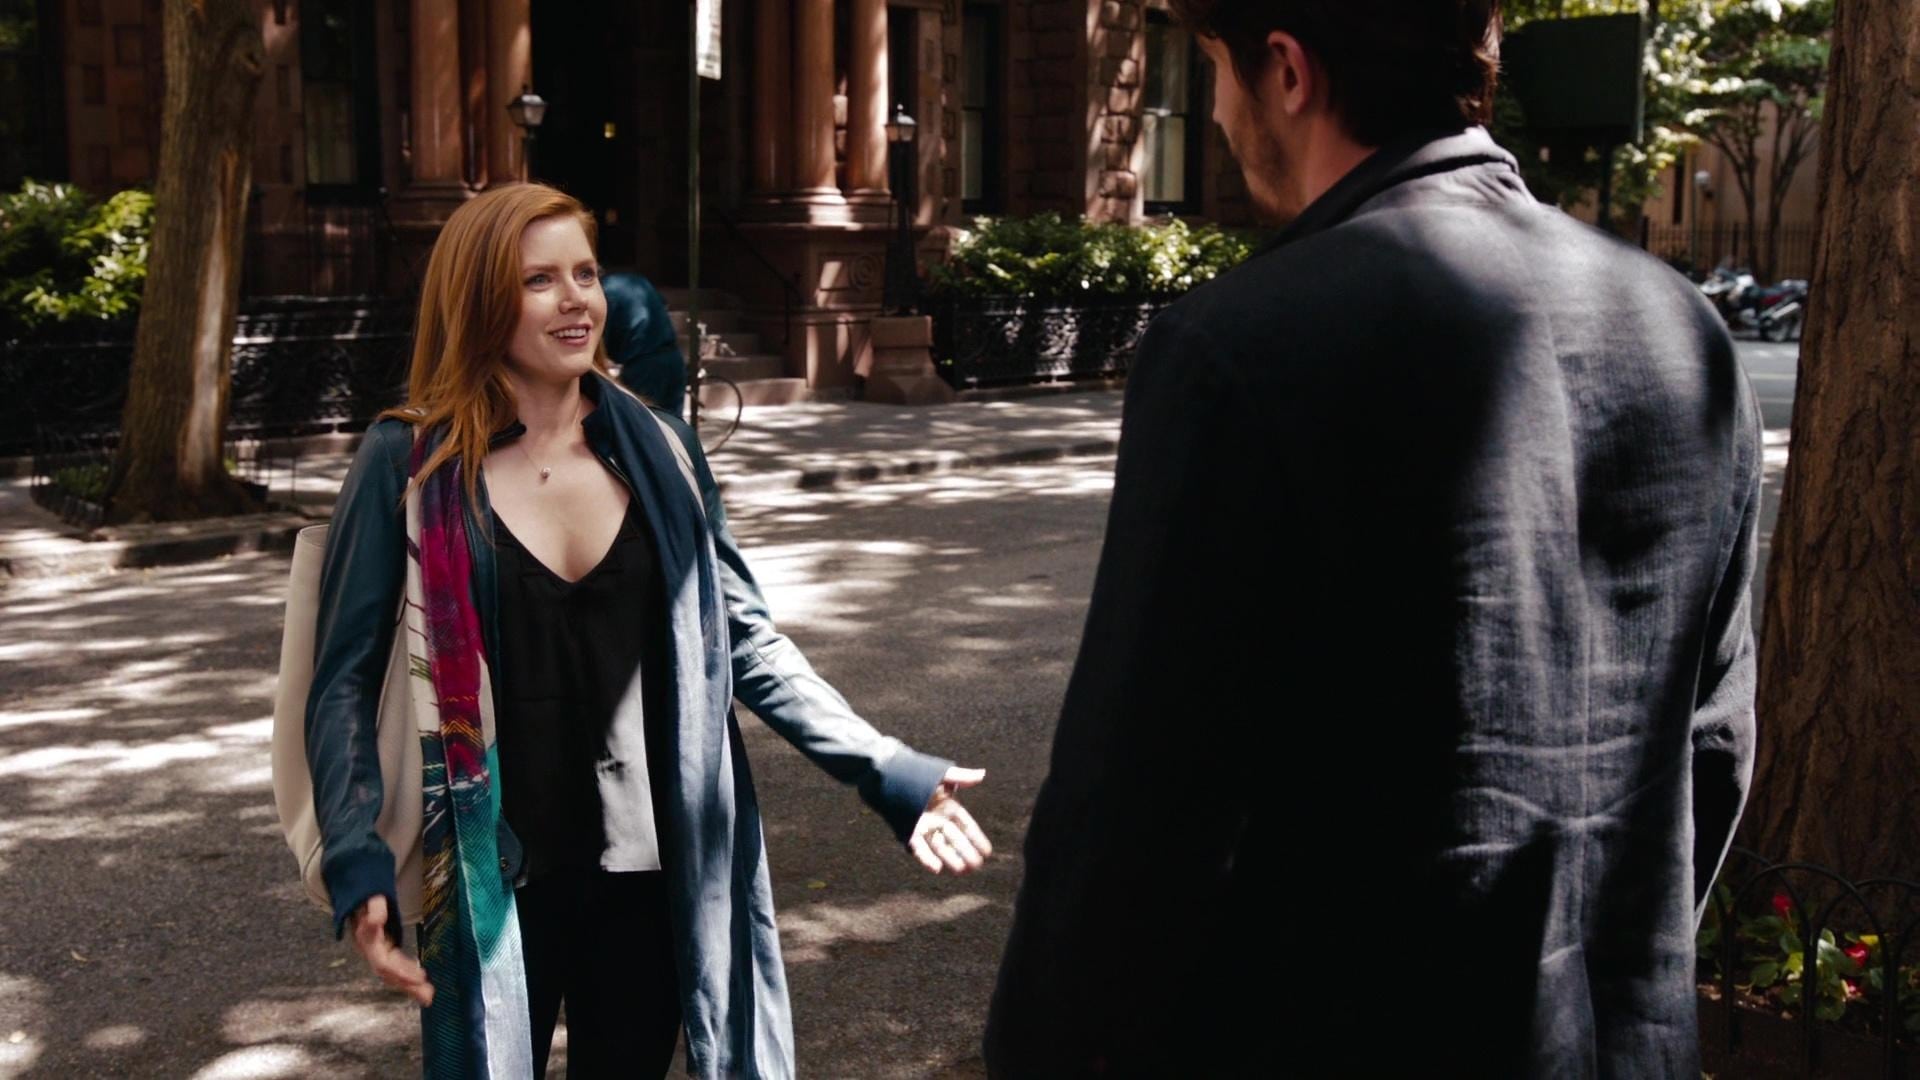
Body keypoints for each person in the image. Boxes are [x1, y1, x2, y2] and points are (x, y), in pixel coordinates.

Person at [983, 2, 1761, 1076]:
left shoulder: (1242, 345)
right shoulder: (1685, 330)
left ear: (1287, 71)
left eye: (1213, 71)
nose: (1218, 114)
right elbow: (1713, 748)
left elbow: (1134, 822)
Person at [306, 183, 992, 1079]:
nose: (576, 300)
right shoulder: (410, 461)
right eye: (539, 280)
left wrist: (890, 770)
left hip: (648, 868)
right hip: (489, 875)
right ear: (478, 300)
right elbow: (344, 681)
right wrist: (355, 856)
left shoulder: (661, 449)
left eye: (585, 274)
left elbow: (744, 640)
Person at [602, 269, 689, 418]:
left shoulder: (605, 291)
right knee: (672, 424)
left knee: (638, 423)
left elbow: (600, 337)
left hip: (644, 365)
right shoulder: (638, 281)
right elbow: (664, 304)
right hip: (673, 358)